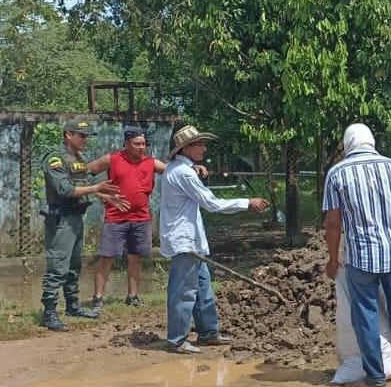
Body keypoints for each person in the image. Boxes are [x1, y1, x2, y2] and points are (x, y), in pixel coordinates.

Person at [323, 124, 391, 387]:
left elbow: (333, 223)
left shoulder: (337, 173)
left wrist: (333, 259)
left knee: (365, 315)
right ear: (371, 142)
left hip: (362, 258)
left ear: (348, 144)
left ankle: (376, 377)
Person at [159, 125, 269, 354]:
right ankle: (177, 340)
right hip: (185, 241)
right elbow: (212, 204)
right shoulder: (184, 173)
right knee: (183, 291)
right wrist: (247, 203)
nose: (204, 148)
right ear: (186, 148)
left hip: (191, 239)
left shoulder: (179, 169)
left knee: (202, 288)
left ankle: (208, 332)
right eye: (199, 144)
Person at [86, 126, 206, 311]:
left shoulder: (150, 162)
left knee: (136, 257)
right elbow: (84, 173)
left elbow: (174, 169)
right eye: (137, 144)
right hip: (115, 217)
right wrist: (102, 194)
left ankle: (132, 296)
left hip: (141, 218)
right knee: (107, 257)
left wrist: (193, 167)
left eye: (143, 144)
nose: (141, 147)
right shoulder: (112, 159)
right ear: (126, 144)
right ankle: (97, 298)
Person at [40, 118, 122, 332]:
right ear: (69, 134)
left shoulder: (78, 158)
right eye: (82, 135)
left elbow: (83, 184)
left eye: (87, 136)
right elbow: (65, 190)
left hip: (76, 217)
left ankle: (72, 306)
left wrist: (104, 196)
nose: (86, 140)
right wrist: (96, 189)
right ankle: (49, 313)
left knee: (74, 265)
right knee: (58, 266)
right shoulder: (55, 158)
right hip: (62, 219)